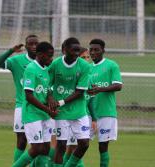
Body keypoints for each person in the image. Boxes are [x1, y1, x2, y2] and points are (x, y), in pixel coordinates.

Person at [0, 35, 39, 164]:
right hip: (22, 105)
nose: (34, 46)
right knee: (21, 140)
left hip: (40, 107)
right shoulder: (17, 61)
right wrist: (11, 51)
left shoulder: (44, 62)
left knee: (39, 142)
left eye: (36, 43)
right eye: (31, 44)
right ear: (25, 46)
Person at [48, 37, 91, 167]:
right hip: (61, 113)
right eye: (73, 50)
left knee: (84, 143)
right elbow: (47, 85)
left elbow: (79, 93)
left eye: (78, 50)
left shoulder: (84, 66)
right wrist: (50, 98)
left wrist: (59, 102)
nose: (77, 54)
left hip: (79, 111)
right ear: (64, 50)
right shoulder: (55, 64)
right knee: (61, 145)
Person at [12, 41, 56, 167]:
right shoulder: (31, 69)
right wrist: (47, 110)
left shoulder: (47, 69)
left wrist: (50, 99)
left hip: (45, 115)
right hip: (32, 114)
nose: (51, 59)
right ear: (41, 55)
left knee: (46, 149)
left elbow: (47, 90)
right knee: (37, 148)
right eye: (49, 55)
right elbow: (29, 96)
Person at [87, 39, 123, 167]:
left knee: (103, 147)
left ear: (103, 50)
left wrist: (100, 89)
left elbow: (118, 86)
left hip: (106, 112)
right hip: (87, 114)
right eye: (91, 49)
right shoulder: (88, 67)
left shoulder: (111, 65)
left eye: (96, 49)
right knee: (80, 145)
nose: (93, 52)